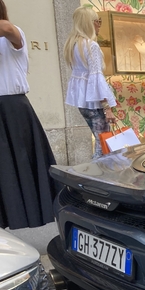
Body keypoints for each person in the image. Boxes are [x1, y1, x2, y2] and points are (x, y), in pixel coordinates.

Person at [0, 0, 58, 229]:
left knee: (19, 165)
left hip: (13, 110)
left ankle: (26, 218)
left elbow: (7, 29)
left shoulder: (13, 35)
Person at [63, 6, 116, 159]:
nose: (99, 24)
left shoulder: (73, 46)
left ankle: (99, 175)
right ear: (90, 23)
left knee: (103, 144)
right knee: (104, 147)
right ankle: (96, 178)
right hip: (96, 105)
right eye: (98, 21)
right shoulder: (91, 46)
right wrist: (107, 108)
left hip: (83, 104)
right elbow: (96, 79)